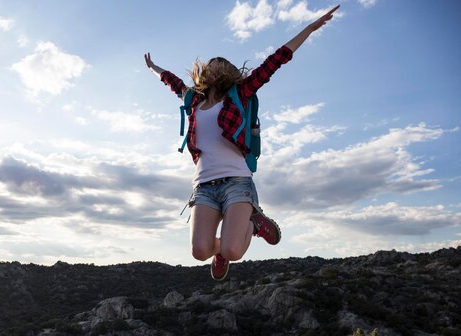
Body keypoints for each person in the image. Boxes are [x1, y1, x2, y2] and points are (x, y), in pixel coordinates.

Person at [145, 5, 340, 281]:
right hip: (204, 186)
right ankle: (219, 252)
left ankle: (252, 222)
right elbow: (172, 82)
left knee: (234, 250)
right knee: (200, 251)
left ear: (225, 72)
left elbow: (276, 60)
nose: (210, 69)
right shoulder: (194, 102)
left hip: (237, 181)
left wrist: (308, 29)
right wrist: (153, 68)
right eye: (208, 66)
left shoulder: (241, 93)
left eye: (216, 66)